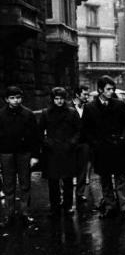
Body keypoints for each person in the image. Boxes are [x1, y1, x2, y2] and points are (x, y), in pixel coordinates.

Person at [82, 75, 125, 219]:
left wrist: (123, 139)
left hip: (118, 148)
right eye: (108, 89)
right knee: (105, 179)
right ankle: (110, 206)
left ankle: (124, 207)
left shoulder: (119, 104)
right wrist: (95, 144)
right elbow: (86, 130)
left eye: (113, 89)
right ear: (100, 90)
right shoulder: (90, 107)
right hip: (101, 149)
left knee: (121, 179)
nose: (111, 91)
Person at [0, 86, 40, 226]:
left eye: (18, 97)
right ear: (6, 99)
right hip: (6, 154)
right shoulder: (1, 115)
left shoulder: (28, 114)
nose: (15, 101)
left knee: (25, 184)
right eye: (12, 98)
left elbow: (36, 137)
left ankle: (25, 213)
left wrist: (35, 156)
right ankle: (9, 215)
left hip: (24, 153)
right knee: (8, 185)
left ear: (21, 98)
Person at [39, 87, 81, 217]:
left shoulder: (72, 113)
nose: (59, 101)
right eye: (56, 99)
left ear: (65, 99)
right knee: (53, 181)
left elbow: (79, 131)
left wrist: (72, 143)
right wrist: (47, 143)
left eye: (62, 98)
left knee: (68, 180)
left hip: (68, 150)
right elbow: (39, 132)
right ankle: (54, 207)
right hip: (52, 152)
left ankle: (68, 206)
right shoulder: (46, 113)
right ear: (52, 99)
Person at [73, 85, 90, 205]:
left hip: (84, 143)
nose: (87, 97)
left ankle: (79, 193)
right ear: (77, 95)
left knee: (82, 170)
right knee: (68, 169)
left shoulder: (88, 108)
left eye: (87, 94)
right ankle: (65, 195)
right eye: (85, 94)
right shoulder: (68, 107)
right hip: (70, 143)